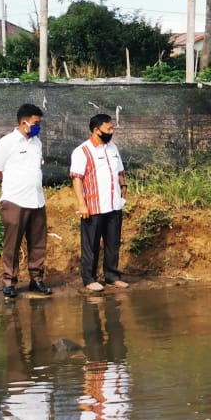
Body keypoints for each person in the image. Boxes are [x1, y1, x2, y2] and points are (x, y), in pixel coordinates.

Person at [0, 103, 51, 298]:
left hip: (37, 201)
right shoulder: (6, 143)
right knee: (12, 243)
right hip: (14, 200)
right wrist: (14, 184)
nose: (38, 126)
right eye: (35, 123)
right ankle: (9, 282)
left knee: (38, 243)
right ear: (24, 122)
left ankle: (36, 279)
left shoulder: (37, 143)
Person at [70, 113, 129, 292]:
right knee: (91, 245)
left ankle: (111, 276)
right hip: (94, 206)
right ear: (97, 130)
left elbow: (120, 171)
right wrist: (82, 204)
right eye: (108, 128)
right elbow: (77, 179)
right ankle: (89, 278)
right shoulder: (83, 151)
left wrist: (123, 187)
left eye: (112, 128)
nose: (111, 131)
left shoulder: (112, 148)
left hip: (113, 205)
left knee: (113, 243)